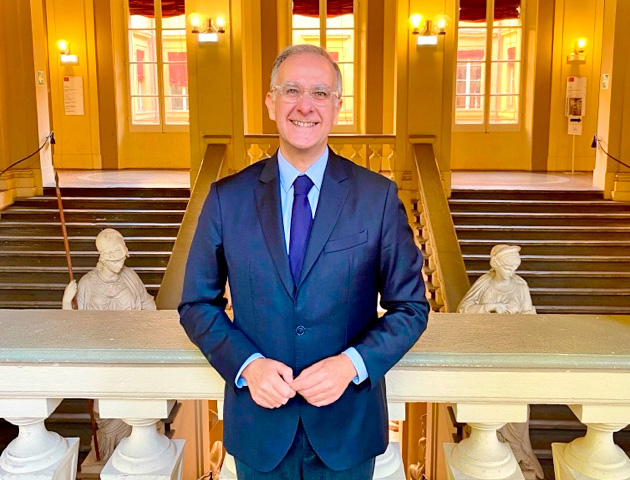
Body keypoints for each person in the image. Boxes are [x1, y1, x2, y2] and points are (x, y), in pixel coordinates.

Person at [179, 44, 429, 480]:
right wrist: (247, 365)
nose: (305, 106)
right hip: (259, 430)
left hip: (347, 429)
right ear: (270, 103)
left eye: (320, 93)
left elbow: (410, 308)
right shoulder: (226, 199)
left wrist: (351, 364)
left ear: (337, 106)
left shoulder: (377, 198)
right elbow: (197, 304)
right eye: (291, 90)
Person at [62, 228, 156, 466]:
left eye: (122, 257)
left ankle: (134, 454)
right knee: (107, 414)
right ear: (102, 258)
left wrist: (149, 329)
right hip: (103, 356)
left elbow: (148, 304)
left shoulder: (130, 276)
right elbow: (76, 327)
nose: (120, 263)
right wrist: (66, 303)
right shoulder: (88, 284)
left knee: (133, 409)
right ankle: (110, 456)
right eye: (114, 259)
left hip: (131, 353)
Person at [457, 244, 536, 315]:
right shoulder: (485, 282)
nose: (511, 273)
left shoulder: (521, 286)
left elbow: (529, 316)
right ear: (496, 266)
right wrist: (489, 307)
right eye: (507, 269)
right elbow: (462, 309)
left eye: (514, 269)